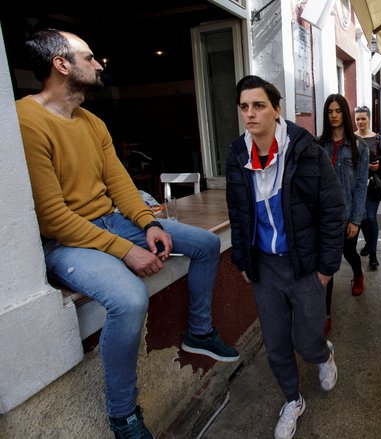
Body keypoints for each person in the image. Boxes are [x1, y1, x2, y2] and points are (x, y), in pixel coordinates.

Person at [17, 29, 239, 438]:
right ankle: (124, 417)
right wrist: (125, 250)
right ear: (61, 65)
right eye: (88, 57)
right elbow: (52, 217)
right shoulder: (25, 122)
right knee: (129, 298)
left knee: (206, 243)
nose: (98, 64)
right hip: (66, 242)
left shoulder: (91, 121)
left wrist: (149, 224)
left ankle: (199, 332)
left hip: (110, 221)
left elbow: (120, 184)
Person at [226, 75, 343, 439]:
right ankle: (292, 399)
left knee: (306, 339)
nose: (250, 114)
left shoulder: (306, 150)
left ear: (277, 109)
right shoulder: (237, 154)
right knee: (276, 342)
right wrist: (244, 260)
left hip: (304, 265)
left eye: (258, 105)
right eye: (244, 107)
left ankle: (322, 355)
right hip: (264, 266)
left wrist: (326, 268)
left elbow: (331, 209)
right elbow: (238, 211)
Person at [319, 95, 369, 325]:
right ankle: (325, 317)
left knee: (349, 253)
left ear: (345, 113)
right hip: (323, 217)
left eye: (338, 110)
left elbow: (360, 186)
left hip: (348, 214)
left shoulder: (359, 147)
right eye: (330, 111)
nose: (334, 115)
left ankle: (358, 275)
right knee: (325, 266)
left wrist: (356, 220)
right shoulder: (319, 145)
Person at [354, 105, 381, 271]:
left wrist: (378, 167)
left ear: (369, 119)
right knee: (360, 218)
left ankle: (374, 254)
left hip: (373, 185)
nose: (360, 121)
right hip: (355, 185)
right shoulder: (350, 137)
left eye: (363, 118)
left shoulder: (377, 138)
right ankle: (369, 243)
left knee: (370, 217)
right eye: (358, 119)